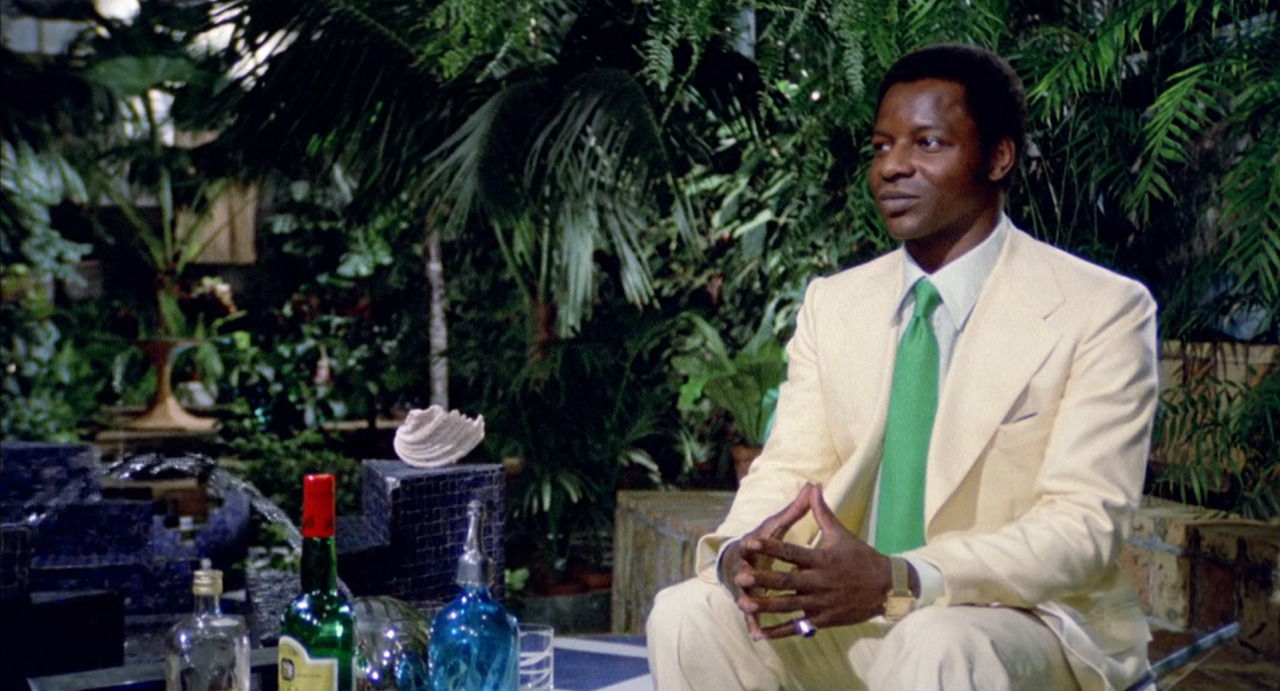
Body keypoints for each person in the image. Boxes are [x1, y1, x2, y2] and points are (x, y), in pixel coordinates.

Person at [646, 43, 1159, 691]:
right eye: (881, 146)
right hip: (856, 613)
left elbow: (1083, 527)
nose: (893, 166)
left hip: (1019, 622)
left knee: (936, 640)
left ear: (998, 157)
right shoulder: (835, 303)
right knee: (688, 613)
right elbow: (789, 470)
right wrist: (739, 555)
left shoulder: (1101, 308)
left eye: (928, 143)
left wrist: (904, 577)